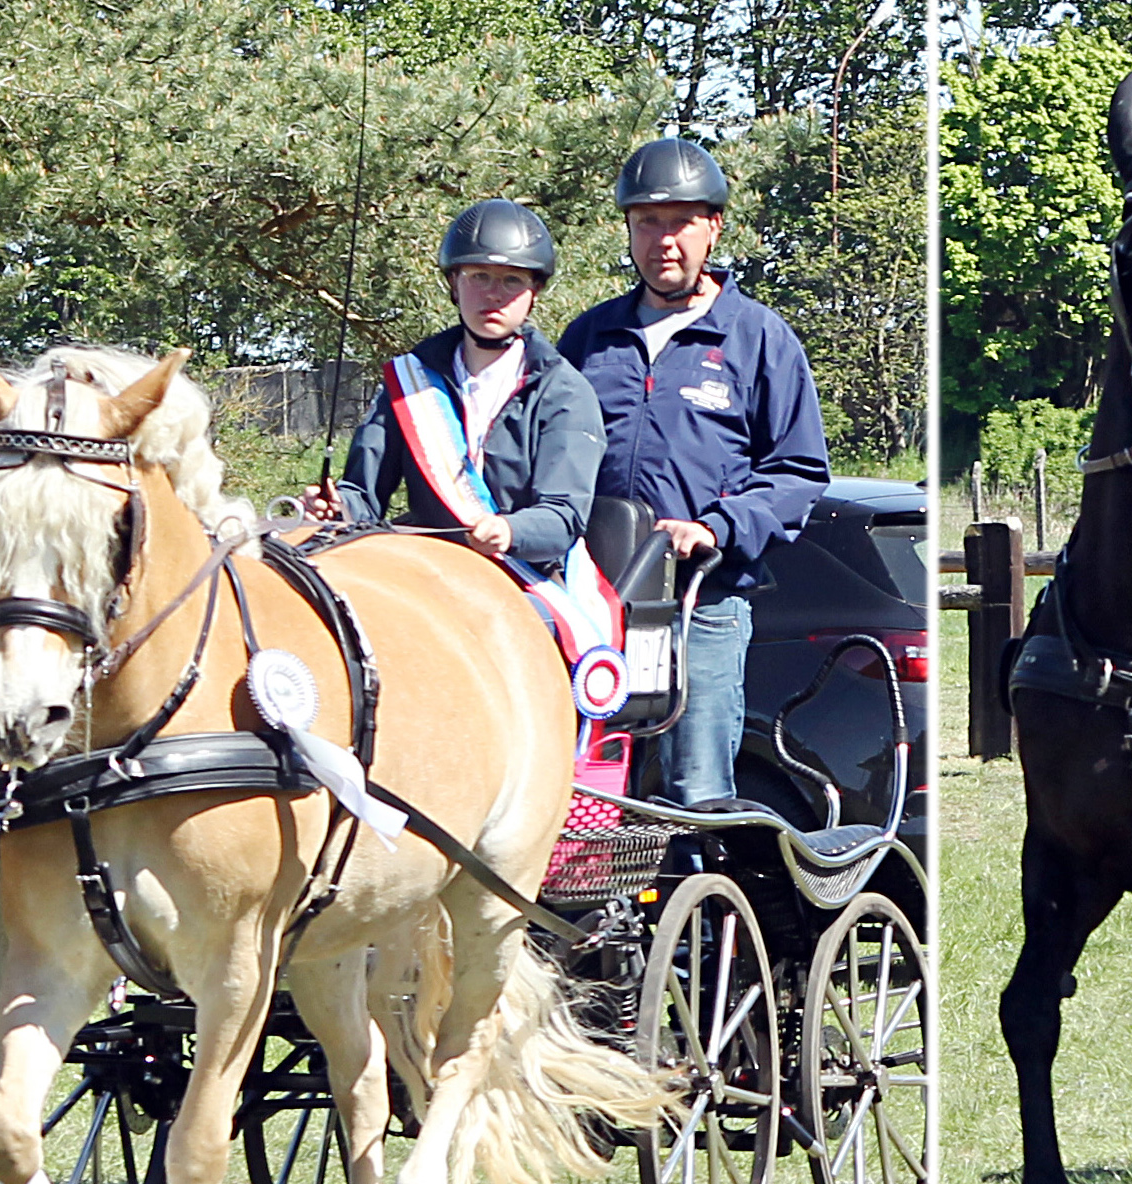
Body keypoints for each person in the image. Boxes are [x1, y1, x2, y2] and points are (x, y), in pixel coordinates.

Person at [555, 136, 830, 807]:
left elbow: (799, 471)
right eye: (647, 221)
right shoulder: (588, 339)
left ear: (714, 228)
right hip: (592, 607)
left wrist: (716, 527)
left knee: (697, 791)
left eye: (680, 221)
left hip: (699, 605)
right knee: (581, 789)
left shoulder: (760, 338)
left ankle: (699, 910)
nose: (663, 239)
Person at [308, 199, 605, 579]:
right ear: (454, 283)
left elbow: (563, 515)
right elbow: (364, 495)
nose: (493, 294)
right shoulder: (410, 381)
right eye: (478, 277)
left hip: (528, 575)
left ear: (535, 290)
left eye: (511, 280)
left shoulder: (564, 392)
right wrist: (337, 506)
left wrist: (510, 530)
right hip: (428, 569)